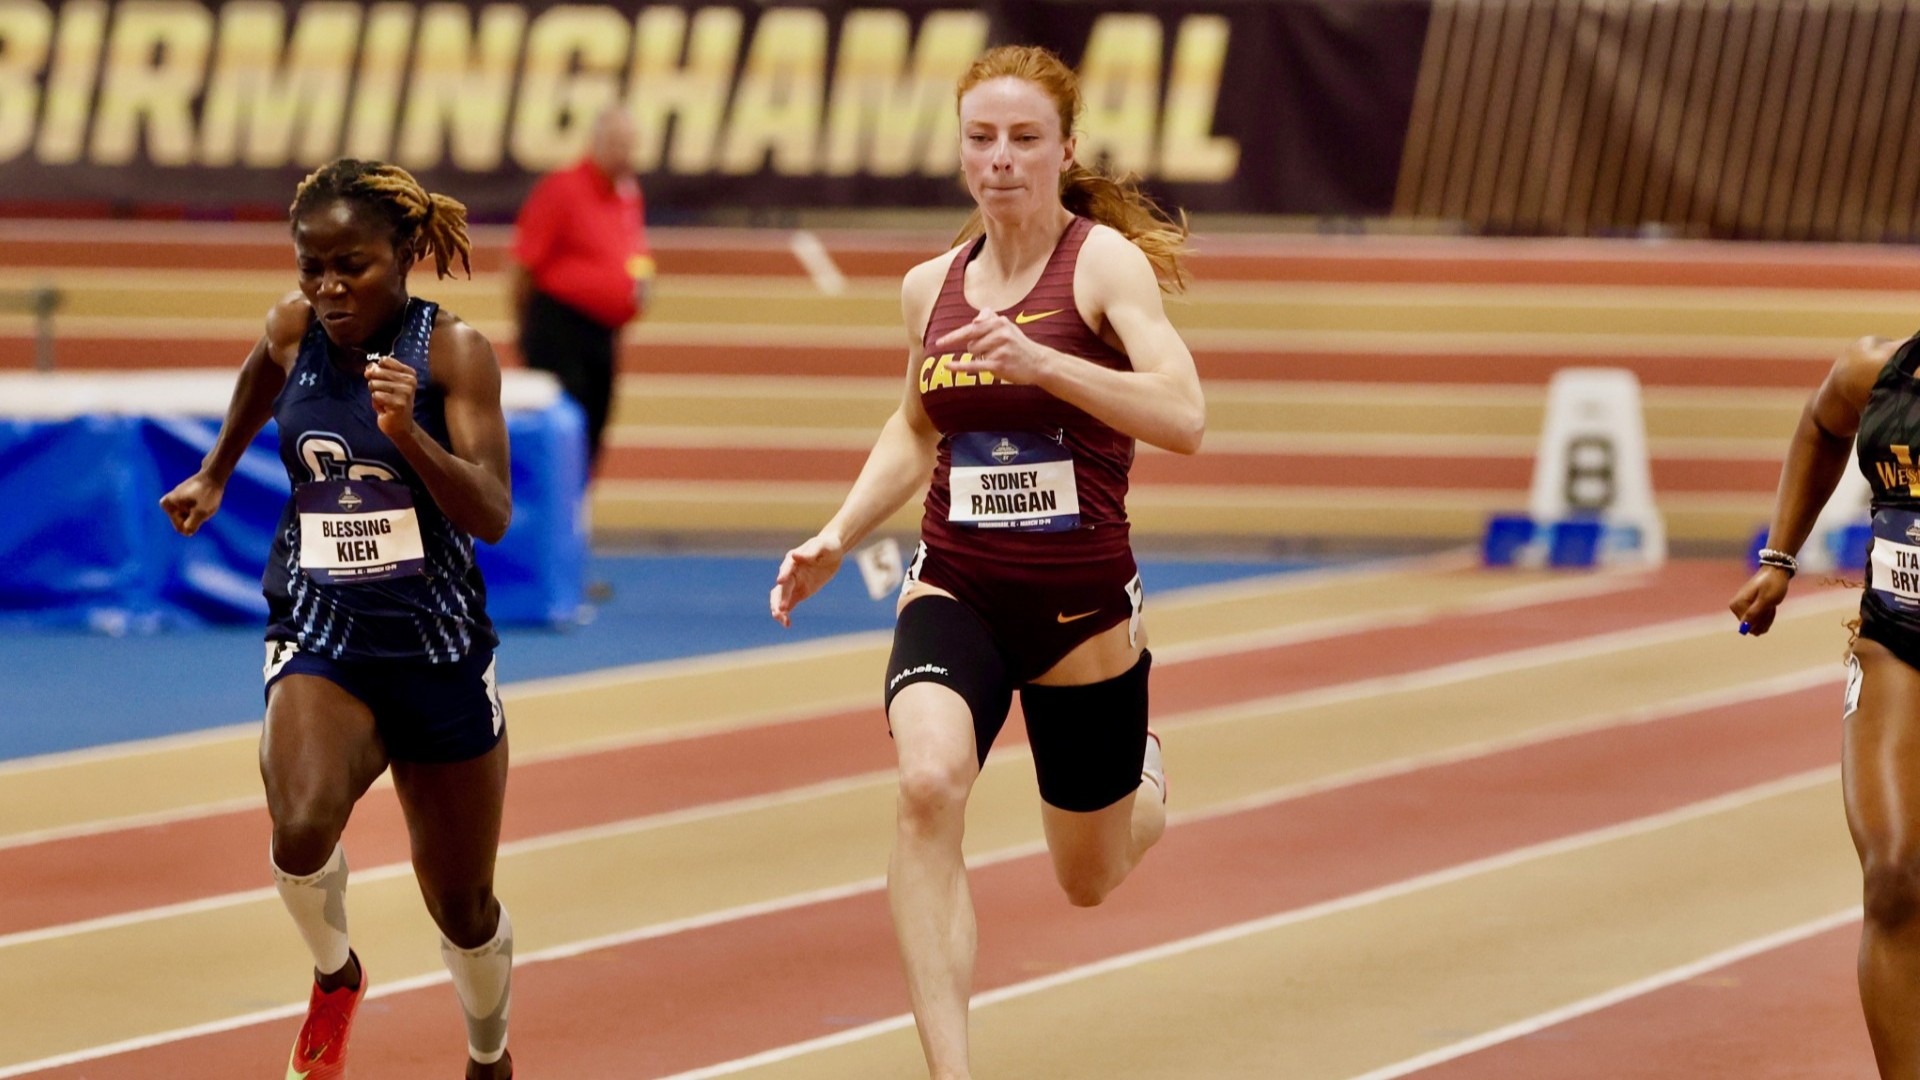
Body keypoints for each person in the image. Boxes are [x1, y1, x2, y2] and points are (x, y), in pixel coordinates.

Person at [768, 44, 1204, 1079]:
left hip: (1082, 608)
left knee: (1086, 879)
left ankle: (1141, 774)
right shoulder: (932, 287)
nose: (999, 159)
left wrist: (1047, 360)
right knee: (928, 783)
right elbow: (918, 428)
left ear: (1062, 149)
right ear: (960, 150)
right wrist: (839, 533)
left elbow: (1185, 417)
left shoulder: (1101, 266)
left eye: (1022, 139)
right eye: (980, 138)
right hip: (956, 579)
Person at [159, 159, 516, 1080]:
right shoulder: (294, 328)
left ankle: (488, 1054)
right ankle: (335, 975)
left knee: (463, 906)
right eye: (310, 266)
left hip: (437, 652)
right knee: (301, 828)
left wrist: (410, 437)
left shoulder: (452, 354)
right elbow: (260, 378)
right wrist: (215, 468)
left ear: (401, 256)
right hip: (324, 635)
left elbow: (492, 513)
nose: (326, 288)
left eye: (348, 266)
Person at [1731, 332, 1920, 1078]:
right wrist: (1780, 558)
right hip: (1899, 639)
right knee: (1895, 873)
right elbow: (1820, 422)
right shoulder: (1877, 373)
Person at [510, 105, 654, 478]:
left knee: (594, 428)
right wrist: (526, 331)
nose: (625, 153)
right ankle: (554, 518)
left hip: (603, 334)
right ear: (597, 143)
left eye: (630, 145)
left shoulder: (628, 193)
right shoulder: (561, 189)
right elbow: (522, 266)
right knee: (562, 431)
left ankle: (573, 516)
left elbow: (629, 249)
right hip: (559, 328)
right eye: (617, 144)